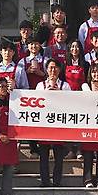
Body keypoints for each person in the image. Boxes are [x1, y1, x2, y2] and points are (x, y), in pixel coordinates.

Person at [35, 59, 71, 187]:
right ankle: (44, 180)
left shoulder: (65, 86)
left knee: (58, 156)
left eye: (55, 68)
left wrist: (58, 93)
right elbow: (37, 103)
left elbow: (70, 103)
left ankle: (57, 181)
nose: (53, 70)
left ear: (59, 70)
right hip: (44, 124)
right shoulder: (40, 85)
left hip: (59, 125)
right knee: (43, 156)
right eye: (50, 68)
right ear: (46, 70)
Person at [80, 64, 98, 188]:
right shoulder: (84, 85)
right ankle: (88, 180)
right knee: (88, 155)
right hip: (88, 124)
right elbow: (91, 95)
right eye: (93, 72)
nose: (96, 74)